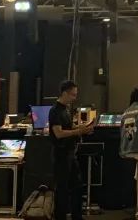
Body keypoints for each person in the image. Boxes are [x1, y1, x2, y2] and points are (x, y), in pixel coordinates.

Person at [50, 80, 94, 220]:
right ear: (64, 93)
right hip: (61, 154)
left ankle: (77, 216)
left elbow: (68, 128)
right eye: (73, 95)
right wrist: (78, 132)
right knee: (62, 189)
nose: (74, 98)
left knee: (77, 186)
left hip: (70, 153)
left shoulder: (66, 110)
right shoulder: (55, 111)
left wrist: (82, 128)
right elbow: (58, 133)